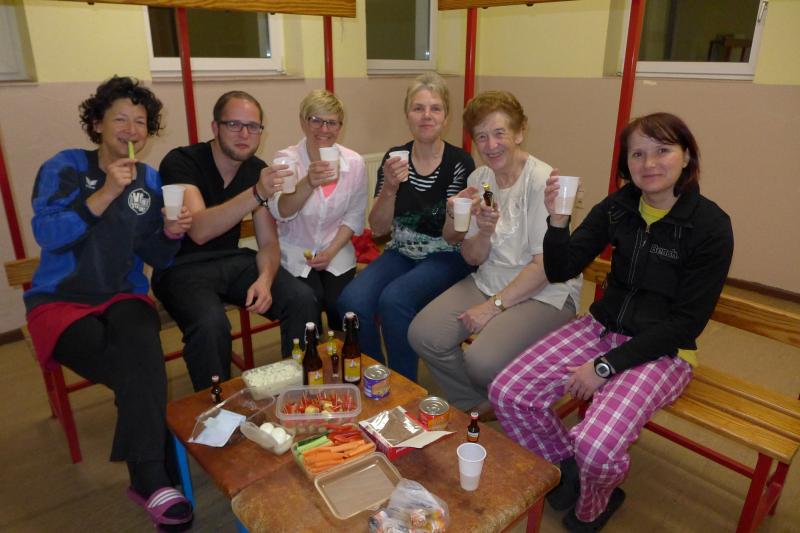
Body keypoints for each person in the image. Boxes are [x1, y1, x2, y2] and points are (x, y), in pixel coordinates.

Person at [489, 112, 734, 531]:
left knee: (596, 446)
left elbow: (685, 325)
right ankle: (567, 467)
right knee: (508, 392)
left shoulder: (709, 226)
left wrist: (604, 367)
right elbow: (562, 266)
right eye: (637, 154)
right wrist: (558, 220)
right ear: (626, 163)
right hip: (600, 327)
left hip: (663, 350)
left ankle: (596, 502)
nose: (649, 163)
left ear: (687, 156)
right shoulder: (619, 206)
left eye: (662, 150)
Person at [23, 76, 194, 530]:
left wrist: (170, 234)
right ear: (97, 124)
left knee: (140, 352)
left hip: (123, 294)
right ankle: (157, 476)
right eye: (120, 119)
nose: (131, 129)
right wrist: (105, 193)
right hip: (59, 301)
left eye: (140, 122)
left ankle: (152, 480)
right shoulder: (64, 166)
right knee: (139, 371)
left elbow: (156, 255)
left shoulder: (149, 179)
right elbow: (48, 234)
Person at [408, 90, 581, 416]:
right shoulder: (481, 179)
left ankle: (502, 401)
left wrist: (492, 307)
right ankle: (478, 404)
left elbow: (544, 267)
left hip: (545, 291)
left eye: (500, 133)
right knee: (424, 334)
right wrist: (484, 232)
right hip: (491, 279)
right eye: (482, 137)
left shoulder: (541, 181)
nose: (490, 145)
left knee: (481, 361)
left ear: (519, 132)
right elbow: (473, 258)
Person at [152, 91, 318, 391]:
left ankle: (300, 389)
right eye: (234, 124)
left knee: (302, 298)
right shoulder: (182, 161)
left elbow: (268, 243)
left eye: (253, 126)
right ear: (215, 127)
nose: (244, 134)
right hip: (180, 267)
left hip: (231, 260)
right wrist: (257, 193)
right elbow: (199, 230)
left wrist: (265, 279)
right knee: (211, 324)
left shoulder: (255, 169)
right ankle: (216, 405)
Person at [337, 73, 475, 381]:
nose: (427, 115)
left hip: (447, 254)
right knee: (352, 302)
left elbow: (456, 232)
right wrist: (389, 187)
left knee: (394, 300)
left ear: (446, 117)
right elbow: (379, 228)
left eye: (435, 108)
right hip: (401, 251)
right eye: (418, 108)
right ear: (407, 115)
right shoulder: (394, 157)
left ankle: (403, 386)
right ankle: (375, 377)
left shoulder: (459, 162)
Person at [265, 90, 367, 331]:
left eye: (331, 122)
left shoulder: (354, 163)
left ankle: (346, 351)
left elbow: (354, 216)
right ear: (303, 121)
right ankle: (308, 352)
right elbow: (281, 212)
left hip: (336, 250)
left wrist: (330, 252)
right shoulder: (286, 161)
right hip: (295, 251)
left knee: (342, 304)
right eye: (316, 120)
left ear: (340, 126)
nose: (324, 129)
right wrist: (308, 182)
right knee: (309, 303)